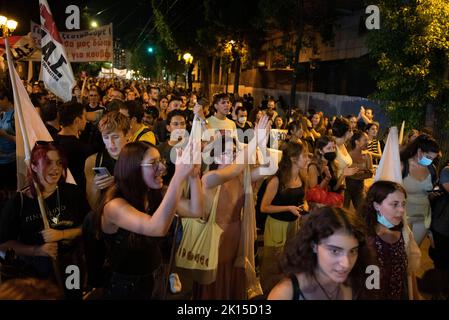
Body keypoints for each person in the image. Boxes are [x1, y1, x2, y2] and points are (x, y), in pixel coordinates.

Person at [96, 141, 202, 299]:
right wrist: (178, 178)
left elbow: (196, 210)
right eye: (153, 163)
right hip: (126, 286)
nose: (162, 168)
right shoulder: (114, 205)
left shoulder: (154, 193)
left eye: (161, 161)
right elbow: (157, 228)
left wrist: (193, 176)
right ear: (133, 168)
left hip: (156, 276)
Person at [192, 115, 271, 300]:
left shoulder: (242, 177)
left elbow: (269, 168)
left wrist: (262, 144)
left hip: (236, 234)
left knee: (232, 273)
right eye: (229, 152)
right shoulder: (209, 178)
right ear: (217, 155)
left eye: (235, 152)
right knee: (215, 276)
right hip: (214, 237)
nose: (234, 156)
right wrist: (254, 141)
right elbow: (234, 169)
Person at [0, 142, 90, 299]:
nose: (55, 168)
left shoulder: (72, 192)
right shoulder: (18, 202)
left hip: (71, 267)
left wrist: (62, 234)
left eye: (59, 163)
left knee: (73, 297)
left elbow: (89, 226)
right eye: (48, 162)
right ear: (34, 167)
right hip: (35, 272)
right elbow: (4, 243)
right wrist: (38, 250)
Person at [267, 206, 370, 300]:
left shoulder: (357, 283)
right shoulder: (286, 293)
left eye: (352, 251)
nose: (346, 264)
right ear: (314, 246)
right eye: (334, 251)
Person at [259, 141, 310, 293]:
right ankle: (267, 293)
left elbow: (303, 199)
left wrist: (304, 205)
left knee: (288, 260)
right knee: (271, 262)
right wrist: (288, 208)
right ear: (294, 158)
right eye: (305, 156)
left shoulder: (302, 176)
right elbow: (264, 207)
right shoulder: (276, 180)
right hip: (276, 225)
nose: (308, 159)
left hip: (293, 224)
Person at [359, 180, 422, 300]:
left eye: (403, 204)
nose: (402, 210)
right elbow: (368, 284)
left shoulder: (403, 232)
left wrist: (415, 295)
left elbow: (409, 271)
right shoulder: (365, 238)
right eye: (395, 204)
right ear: (376, 205)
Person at [400, 134, 440, 245]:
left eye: (433, 158)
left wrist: (433, 193)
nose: (431, 161)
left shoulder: (431, 169)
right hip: (403, 217)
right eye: (429, 157)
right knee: (402, 250)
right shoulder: (403, 166)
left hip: (423, 217)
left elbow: (431, 189)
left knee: (414, 249)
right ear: (419, 151)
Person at [345, 131, 373, 210]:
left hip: (360, 189)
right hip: (346, 189)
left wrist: (353, 173)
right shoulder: (347, 154)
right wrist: (364, 171)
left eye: (368, 140)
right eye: (365, 140)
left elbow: (370, 174)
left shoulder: (367, 155)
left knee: (362, 213)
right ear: (357, 142)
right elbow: (344, 173)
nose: (368, 142)